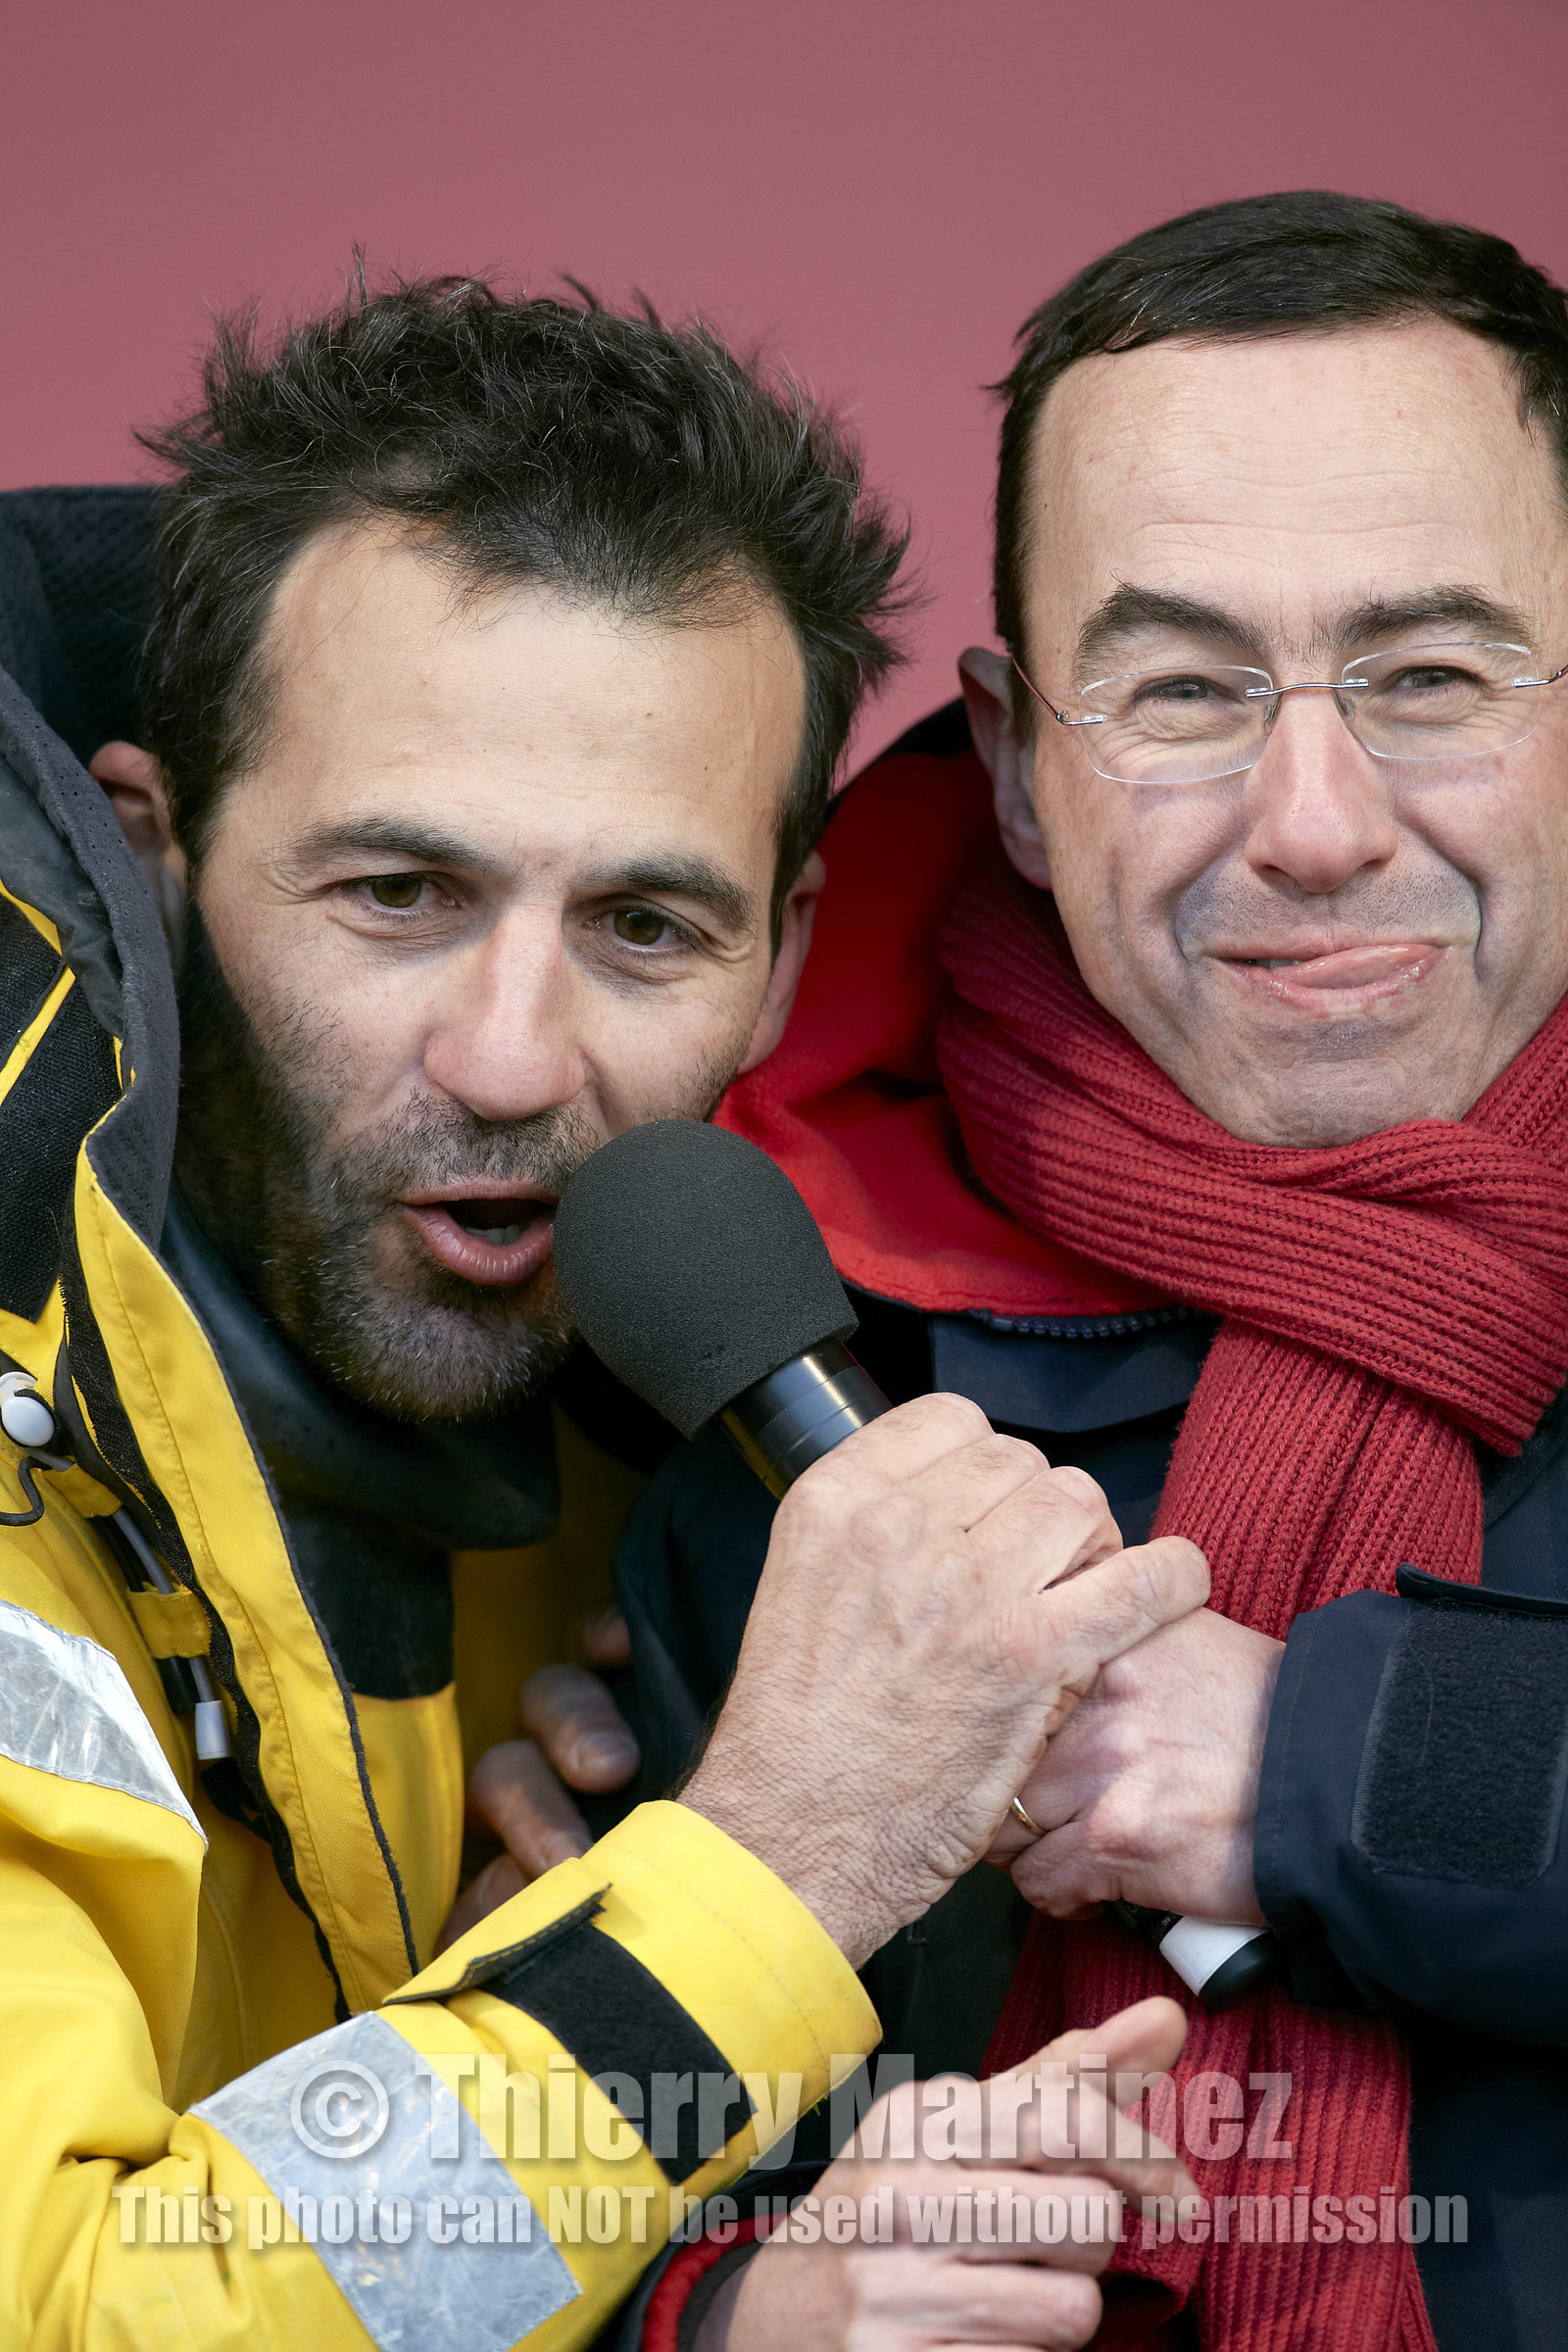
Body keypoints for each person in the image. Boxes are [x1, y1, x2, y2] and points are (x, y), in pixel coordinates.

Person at [0, 275, 1203, 2346]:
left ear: (780, 944)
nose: (506, 1058)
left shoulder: (647, 1472)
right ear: (155, 855)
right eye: (398, 896)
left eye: (644, 927)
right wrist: (773, 1864)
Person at [603, 193, 1568, 2350]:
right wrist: (750, 2311)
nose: (1310, 819)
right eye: (1178, 688)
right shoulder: (804, 1406)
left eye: (1425, 675)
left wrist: (1325, 1764)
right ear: (1021, 769)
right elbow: (608, 2208)